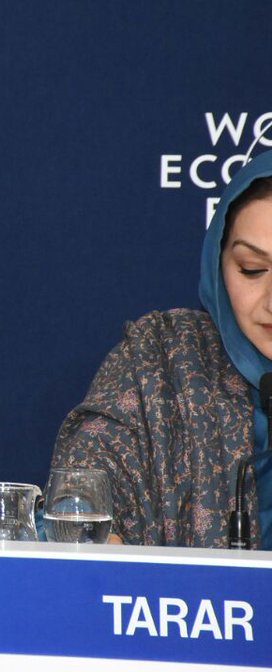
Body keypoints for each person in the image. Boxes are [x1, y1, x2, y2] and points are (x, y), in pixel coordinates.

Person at [51, 152, 272, 549]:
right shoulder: (162, 363)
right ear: (217, 265)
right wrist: (87, 536)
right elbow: (80, 497)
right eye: (252, 269)